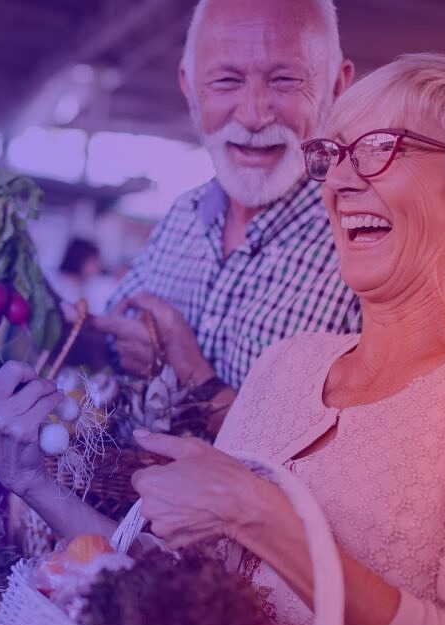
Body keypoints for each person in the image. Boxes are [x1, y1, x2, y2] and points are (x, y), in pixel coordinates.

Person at [0, 53, 445, 625]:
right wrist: (33, 482)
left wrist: (260, 513)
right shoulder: (288, 364)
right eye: (335, 154)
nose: (340, 182)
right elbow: (185, 595)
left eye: (381, 148)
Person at [87, 0, 361, 432]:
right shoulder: (184, 214)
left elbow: (351, 454)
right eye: (226, 81)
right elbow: (107, 348)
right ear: (189, 87)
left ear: (337, 86)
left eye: (285, 80)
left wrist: (188, 370)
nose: (253, 115)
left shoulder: (362, 245)